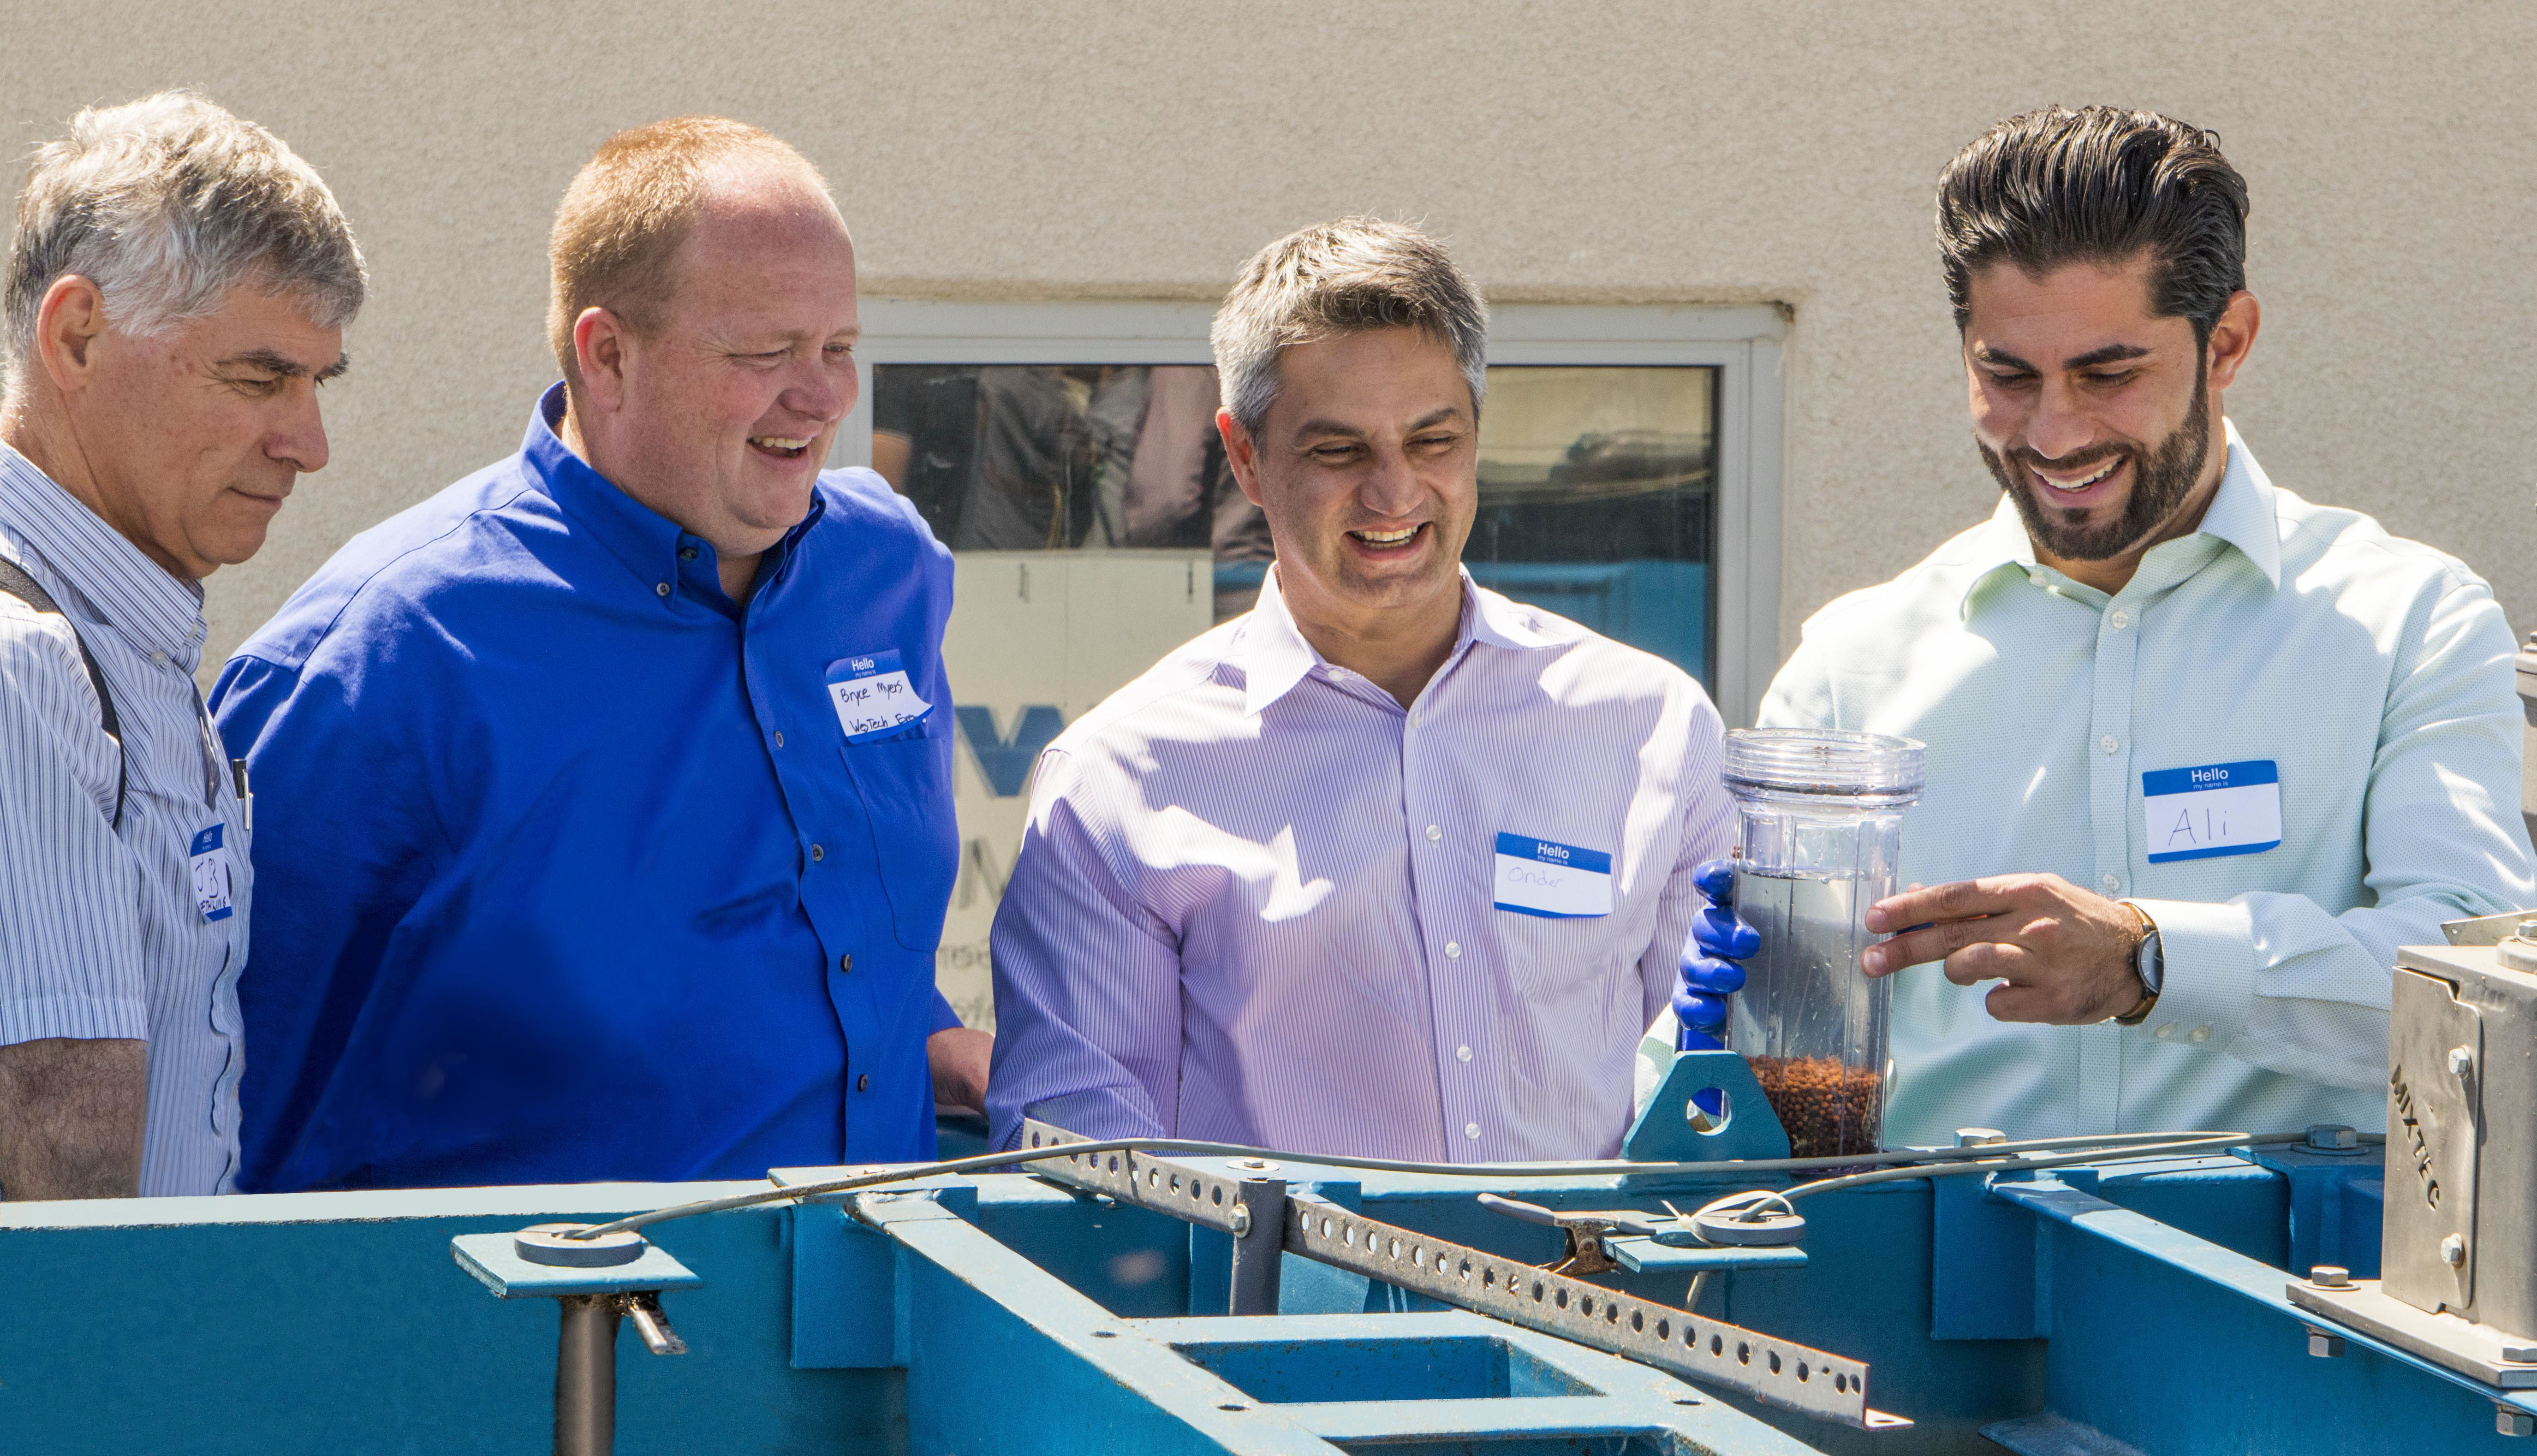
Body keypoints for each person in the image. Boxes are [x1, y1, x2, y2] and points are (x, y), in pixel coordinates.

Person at [211, 117, 988, 1191]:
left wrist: (922, 1035)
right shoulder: (382, 662)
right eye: (765, 353)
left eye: (840, 348)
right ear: (608, 355)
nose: (824, 398)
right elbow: (234, 1116)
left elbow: (826, 906)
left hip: (893, 1334)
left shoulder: (884, 571)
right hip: (558, 1347)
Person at [1750, 107, 2535, 1143]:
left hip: (2275, 1288)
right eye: (2006, 376)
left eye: (2106, 374)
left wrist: (2149, 958)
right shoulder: (1848, 668)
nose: (2053, 432)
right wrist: (1727, 1003)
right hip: (1918, 1279)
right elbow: (1764, 1053)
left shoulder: (2408, 625)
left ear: (2228, 342)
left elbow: (2474, 995)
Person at [986, 218, 1737, 1161]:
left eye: (1431, 440)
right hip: (1283, 1311)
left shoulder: (1648, 728)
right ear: (1245, 457)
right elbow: (1084, 1164)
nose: (1394, 494)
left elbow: (1709, 1126)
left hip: (1597, 1307)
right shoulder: (1117, 779)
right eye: (1339, 451)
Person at [0, 92, 363, 1198]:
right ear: (76, 336)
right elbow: (53, 1184)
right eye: (259, 378)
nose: (308, 442)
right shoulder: (25, 666)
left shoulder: (125, 630)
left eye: (316, 382)